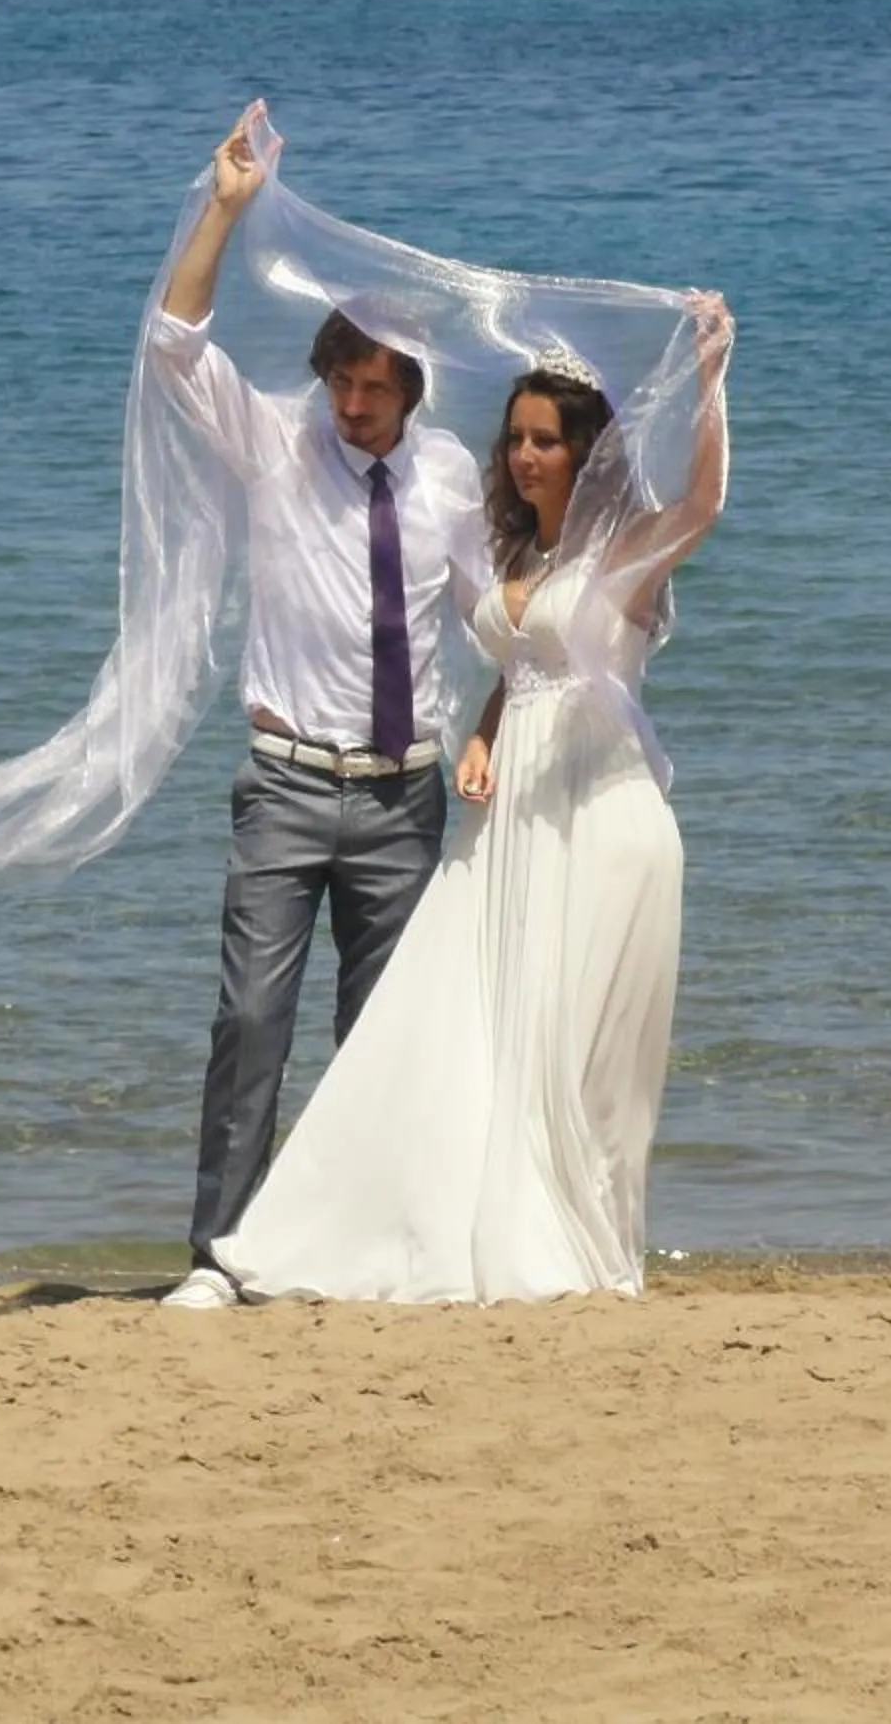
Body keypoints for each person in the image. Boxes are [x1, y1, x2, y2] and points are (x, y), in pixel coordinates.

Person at [212, 294, 731, 1303]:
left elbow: (703, 504)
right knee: (471, 1028)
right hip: (506, 825)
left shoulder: (624, 560)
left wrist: (712, 381)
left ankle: (582, 1244)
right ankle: (408, 1226)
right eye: (519, 438)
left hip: (602, 823)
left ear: (588, 454)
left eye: (549, 441)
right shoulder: (518, 555)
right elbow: (526, 668)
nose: (528, 455)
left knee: (576, 1058)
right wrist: (485, 734)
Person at [145, 119, 494, 1311]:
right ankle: (221, 1257)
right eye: (339, 382)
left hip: (407, 796)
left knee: (386, 1045)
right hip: (288, 786)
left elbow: (496, 620)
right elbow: (177, 343)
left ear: (410, 393)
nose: (351, 405)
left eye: (373, 389)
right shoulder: (275, 444)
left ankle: (364, 1251)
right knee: (250, 1023)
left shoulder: (448, 475)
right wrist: (228, 205)